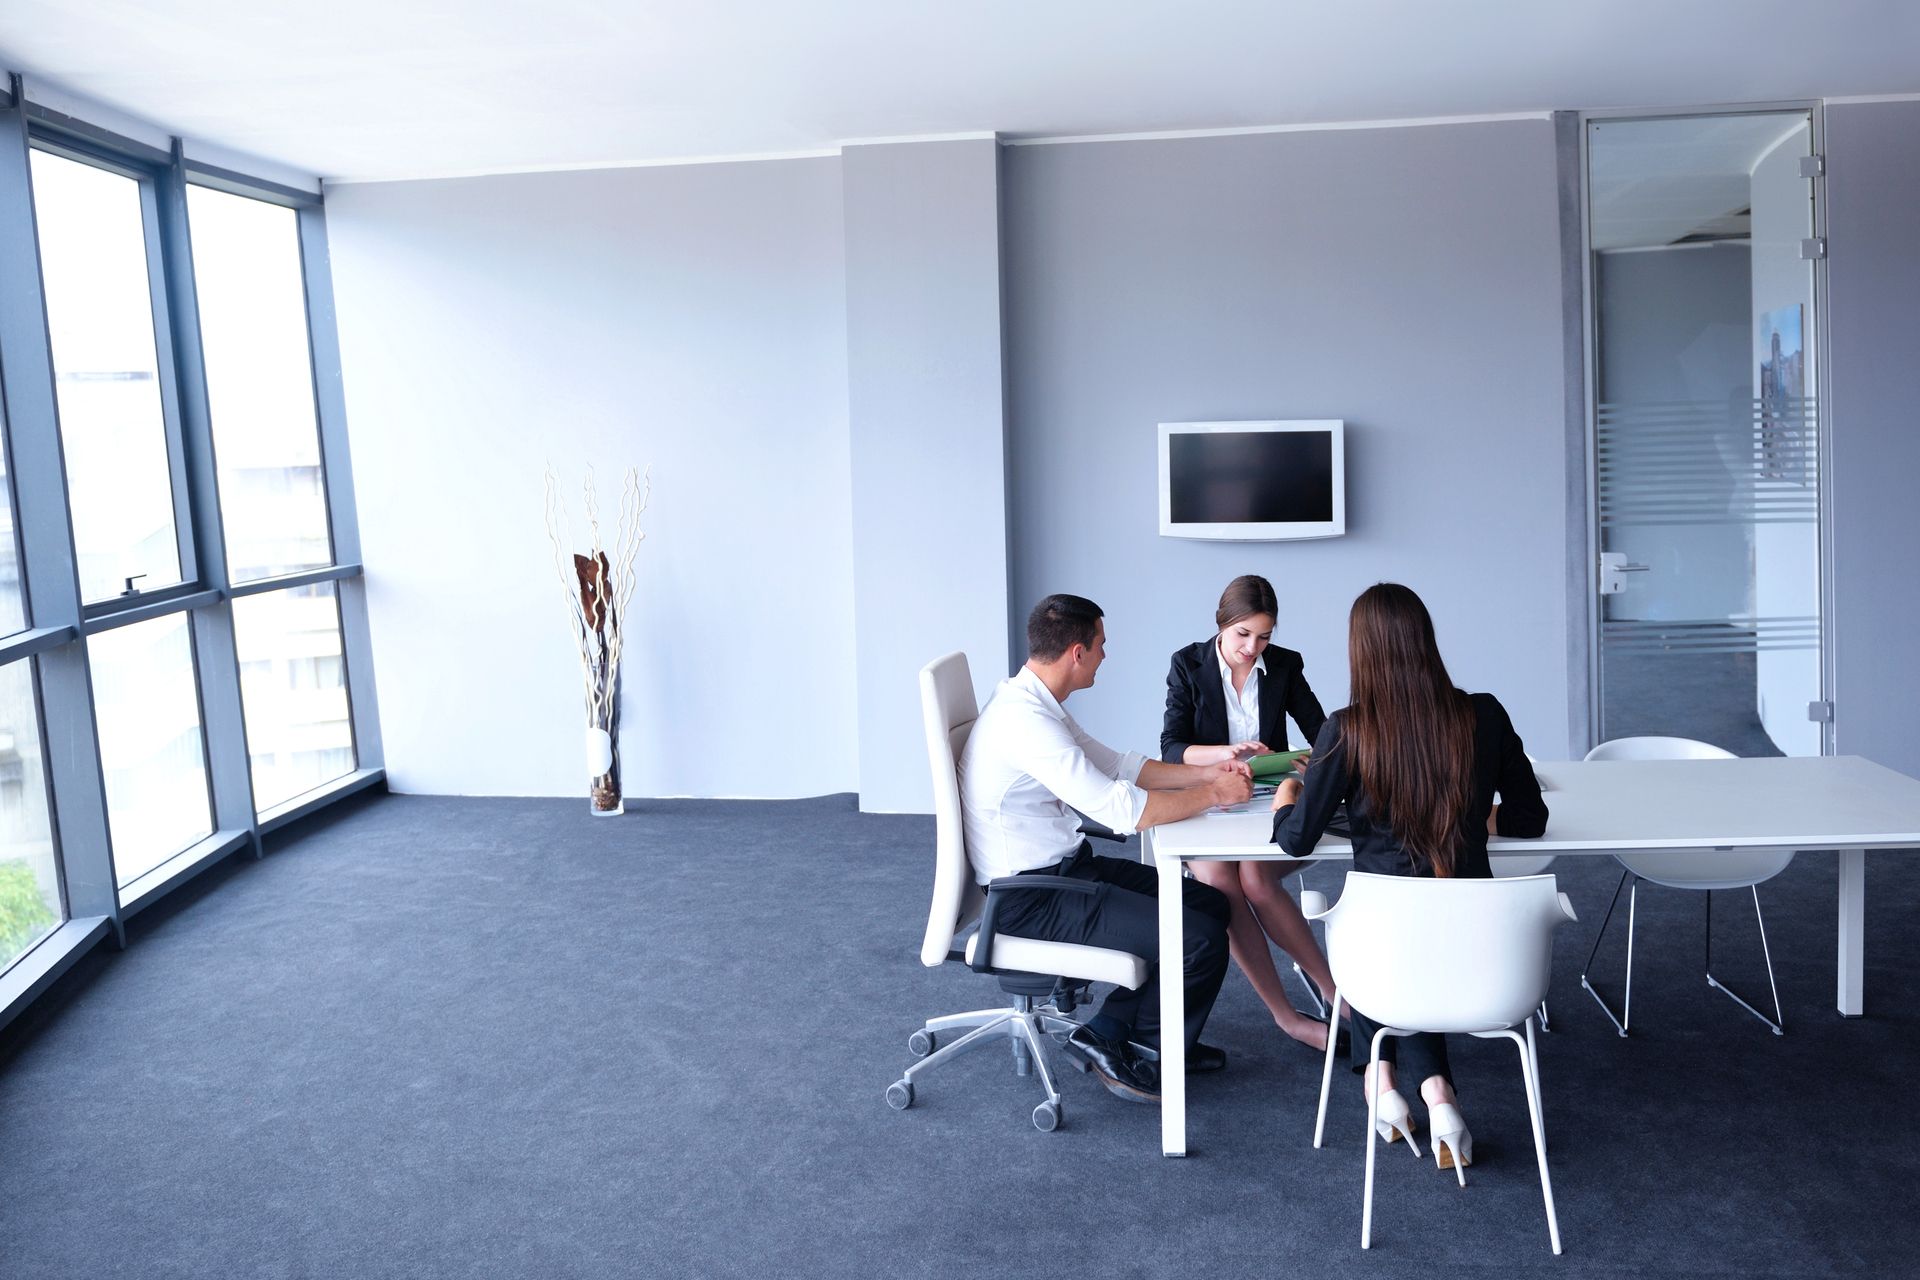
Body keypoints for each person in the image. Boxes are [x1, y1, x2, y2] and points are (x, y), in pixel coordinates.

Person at [1270, 582, 1547, 1174]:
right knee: (1412, 933)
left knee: (1373, 942)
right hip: (1483, 950)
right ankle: (1435, 1093)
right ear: (1426, 642)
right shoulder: (1484, 713)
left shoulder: (1347, 730)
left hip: (1387, 955)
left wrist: (1289, 793)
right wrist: (1473, 815)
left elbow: (1296, 838)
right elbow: (1531, 817)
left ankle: (1380, 1077)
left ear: (1360, 651)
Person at [960, 593, 1252, 1104]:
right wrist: (1214, 795)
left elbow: (1122, 767)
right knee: (1199, 938)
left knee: (1208, 903)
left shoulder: (1035, 702)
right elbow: (1122, 810)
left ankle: (1108, 1032)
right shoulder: (1026, 724)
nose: (1104, 656)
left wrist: (1209, 772)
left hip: (1067, 870)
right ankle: (1147, 1052)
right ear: (1077, 652)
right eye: (1101, 645)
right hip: (1032, 899)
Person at [1161, 573, 1337, 1051]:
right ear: (1222, 624)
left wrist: (1309, 759)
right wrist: (1225, 751)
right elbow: (1173, 747)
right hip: (1213, 797)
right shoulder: (1188, 664)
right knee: (1222, 885)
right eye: (1243, 634)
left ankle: (1335, 994)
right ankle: (1287, 1017)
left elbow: (1325, 731)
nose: (1252, 647)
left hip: (1271, 800)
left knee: (1256, 879)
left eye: (1264, 636)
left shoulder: (1284, 665)